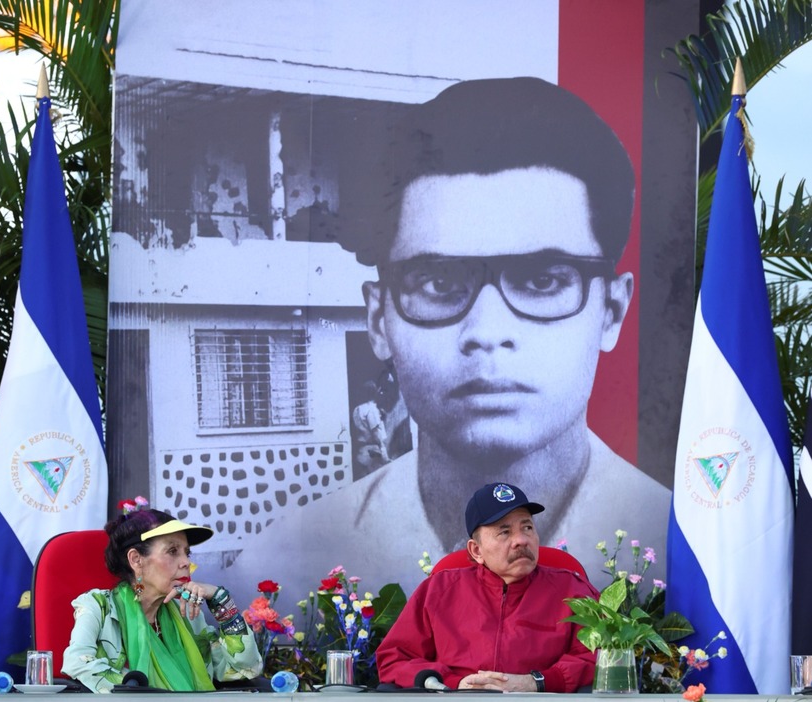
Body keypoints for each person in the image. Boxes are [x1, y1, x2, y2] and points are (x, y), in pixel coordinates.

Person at [224, 76, 670, 610]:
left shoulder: (687, 550)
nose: (486, 332)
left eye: (542, 280)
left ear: (612, 311)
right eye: (438, 282)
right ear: (379, 318)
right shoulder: (284, 570)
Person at [376, 483, 598, 692]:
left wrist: (537, 682)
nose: (521, 540)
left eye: (527, 527)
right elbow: (395, 658)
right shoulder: (438, 590)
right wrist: (455, 684)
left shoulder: (571, 590)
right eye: (505, 532)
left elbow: (602, 654)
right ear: (476, 551)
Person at [62, 499, 264, 692]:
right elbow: (76, 663)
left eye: (187, 553)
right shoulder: (98, 606)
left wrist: (220, 600)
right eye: (173, 551)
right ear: (136, 559)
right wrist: (141, 694)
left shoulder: (189, 615)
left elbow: (244, 670)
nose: (186, 562)